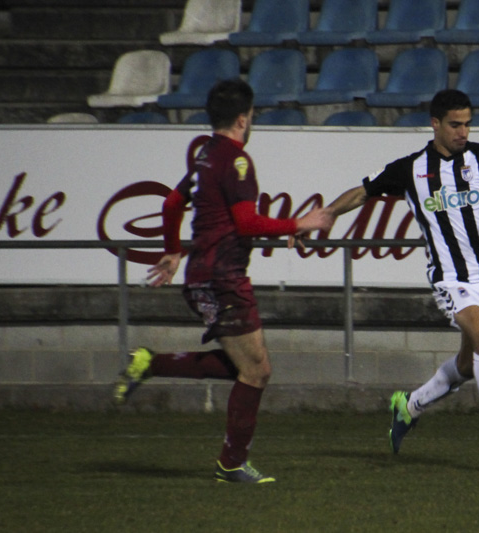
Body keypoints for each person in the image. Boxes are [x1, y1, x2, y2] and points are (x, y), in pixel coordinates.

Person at [316, 89, 479, 460]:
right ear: (435, 124)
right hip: (449, 278)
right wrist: (330, 213)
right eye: (455, 125)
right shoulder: (412, 170)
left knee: (468, 363)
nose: (463, 132)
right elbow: (363, 191)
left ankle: (410, 406)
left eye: (467, 124)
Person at [113, 79, 331, 483]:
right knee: (257, 371)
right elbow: (246, 224)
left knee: (243, 367)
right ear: (244, 119)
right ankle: (231, 464)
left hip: (204, 276)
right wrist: (300, 222)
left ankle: (150, 362)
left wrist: (173, 250)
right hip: (223, 277)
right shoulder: (236, 160)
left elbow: (173, 203)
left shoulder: (204, 155)